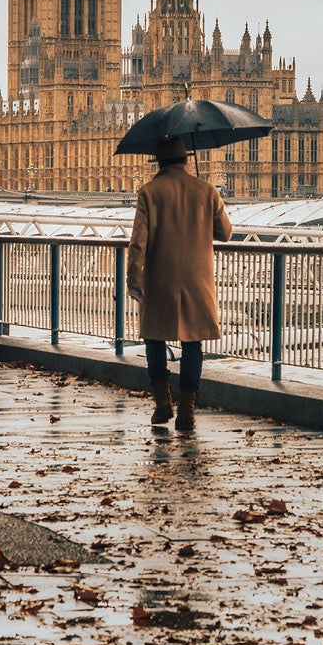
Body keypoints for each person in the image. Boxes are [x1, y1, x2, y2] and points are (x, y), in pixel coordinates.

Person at [126, 139, 232, 433]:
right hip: (196, 279)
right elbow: (225, 233)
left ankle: (162, 403)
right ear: (186, 161)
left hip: (160, 277)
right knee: (193, 342)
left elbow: (138, 242)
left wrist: (133, 278)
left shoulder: (149, 192)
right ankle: (187, 409)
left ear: (159, 163)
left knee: (154, 338)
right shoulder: (206, 190)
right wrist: (210, 204)